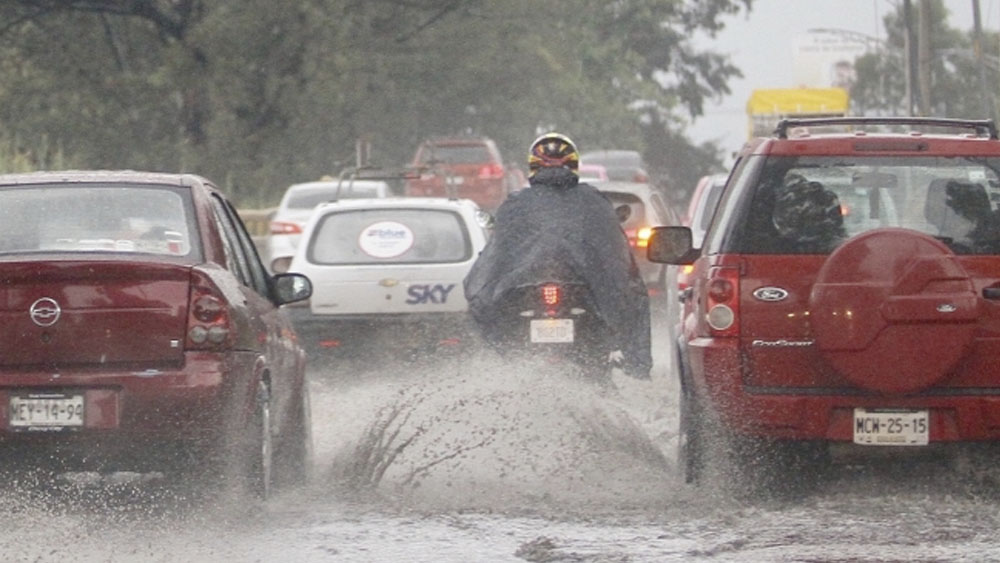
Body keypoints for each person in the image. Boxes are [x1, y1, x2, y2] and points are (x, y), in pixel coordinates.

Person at [463, 132, 652, 379]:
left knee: (482, 301)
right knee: (636, 294)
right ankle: (637, 363)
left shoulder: (516, 203)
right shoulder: (594, 201)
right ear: (573, 165)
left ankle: (497, 359)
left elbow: (495, 255)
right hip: (581, 289)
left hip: (524, 289)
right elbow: (615, 256)